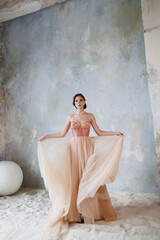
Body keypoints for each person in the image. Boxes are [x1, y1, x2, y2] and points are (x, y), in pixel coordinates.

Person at [38, 93, 124, 240]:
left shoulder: (90, 116)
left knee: (88, 177)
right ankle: (76, 212)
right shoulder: (70, 117)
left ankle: (90, 212)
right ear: (74, 103)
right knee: (75, 178)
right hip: (74, 149)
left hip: (87, 148)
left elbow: (99, 132)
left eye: (80, 100)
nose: (78, 102)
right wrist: (47, 136)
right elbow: (62, 133)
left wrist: (114, 133)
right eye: (76, 101)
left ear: (85, 102)